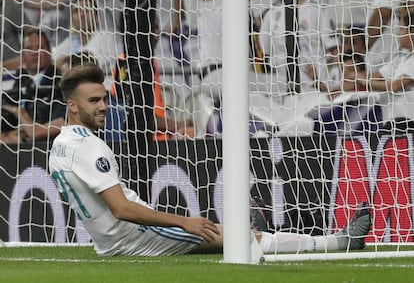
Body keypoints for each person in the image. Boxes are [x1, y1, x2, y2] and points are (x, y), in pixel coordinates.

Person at [49, 63, 371, 257]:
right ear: (72, 106)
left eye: (104, 98)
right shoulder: (89, 147)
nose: (102, 106)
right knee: (237, 239)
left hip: (111, 241)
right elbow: (121, 208)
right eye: (93, 101)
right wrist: (182, 221)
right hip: (133, 236)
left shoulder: (61, 145)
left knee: (221, 234)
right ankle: (338, 242)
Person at [1, 27, 66, 143]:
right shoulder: (18, 79)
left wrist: (20, 114)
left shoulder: (60, 80)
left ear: (49, 51)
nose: (34, 53)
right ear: (22, 54)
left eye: (40, 48)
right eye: (29, 48)